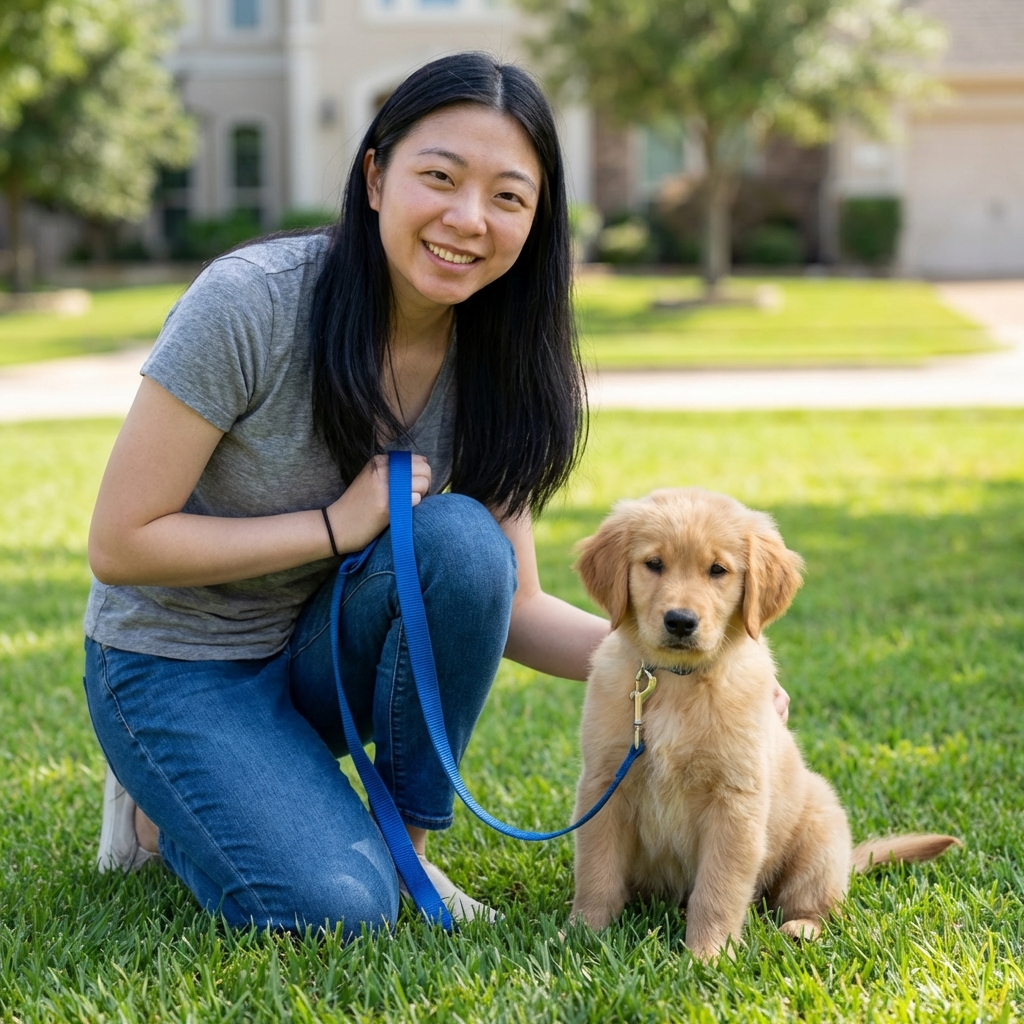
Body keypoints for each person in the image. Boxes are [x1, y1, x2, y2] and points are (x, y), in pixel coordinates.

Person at [84, 52, 789, 937]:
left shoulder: (504, 363)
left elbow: (512, 603)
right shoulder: (248, 305)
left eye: (507, 196)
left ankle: (408, 843)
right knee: (334, 911)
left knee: (460, 542)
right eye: (440, 178)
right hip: (174, 660)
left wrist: (693, 671)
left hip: (319, 652)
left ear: (536, 220)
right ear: (375, 176)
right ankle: (157, 807)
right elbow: (120, 542)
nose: (468, 219)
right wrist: (337, 526)